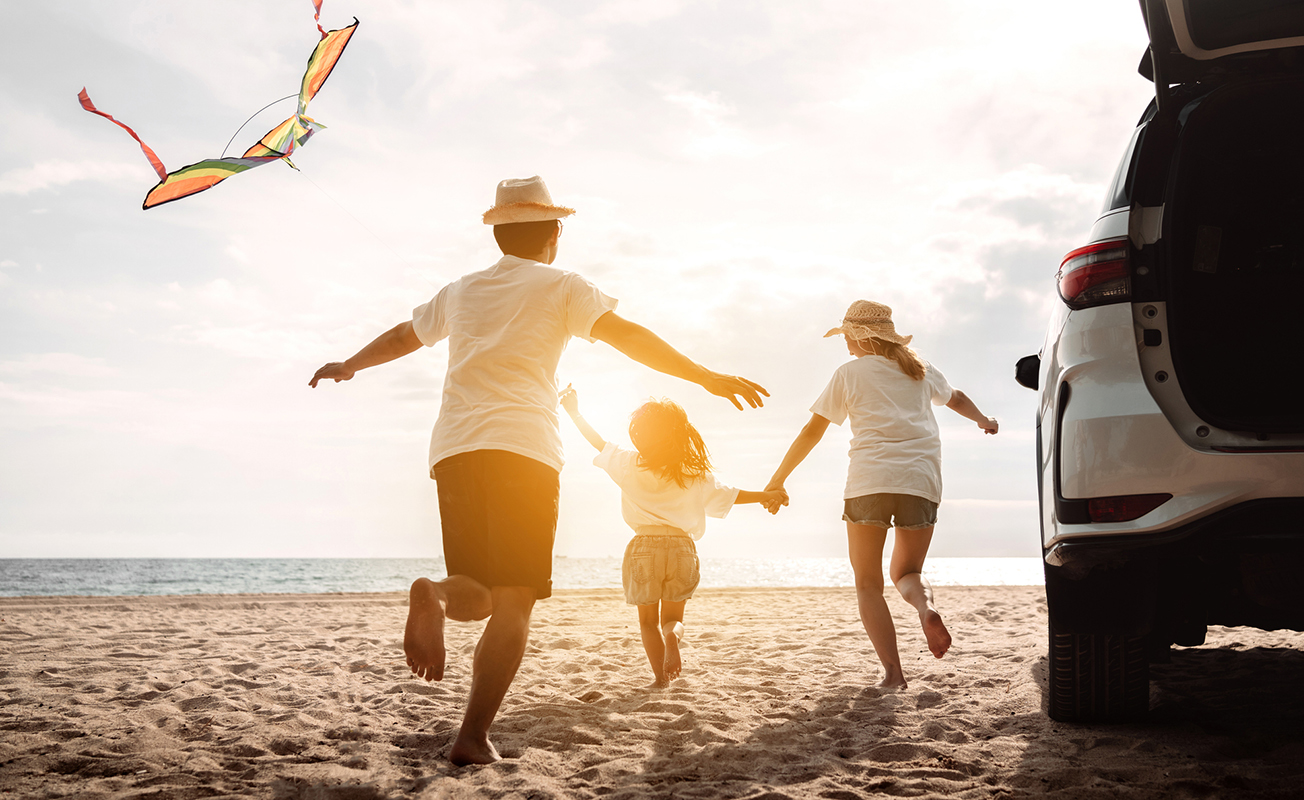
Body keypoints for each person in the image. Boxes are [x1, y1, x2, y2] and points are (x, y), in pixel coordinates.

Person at [308, 176, 767, 765]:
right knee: (515, 599)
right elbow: (628, 338)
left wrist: (350, 364)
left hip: (454, 449)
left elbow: (405, 335)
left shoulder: (461, 290)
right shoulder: (565, 286)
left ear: (499, 234)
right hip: (523, 450)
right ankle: (471, 737)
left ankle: (437, 597)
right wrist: (705, 376)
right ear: (554, 233)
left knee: (475, 591)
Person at [763, 300, 997, 689]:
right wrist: (983, 420)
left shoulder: (849, 373)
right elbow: (955, 397)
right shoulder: (920, 369)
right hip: (920, 483)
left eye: (847, 338)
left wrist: (778, 479)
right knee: (907, 573)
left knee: (868, 584)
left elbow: (812, 431)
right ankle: (926, 607)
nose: (845, 346)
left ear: (858, 337)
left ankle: (893, 673)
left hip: (868, 483)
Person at [558, 385, 787, 687]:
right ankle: (672, 635)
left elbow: (597, 442)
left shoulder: (628, 463)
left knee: (646, 621)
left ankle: (660, 680)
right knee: (672, 619)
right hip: (682, 547)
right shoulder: (692, 472)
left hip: (644, 547)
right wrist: (766, 495)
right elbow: (731, 495)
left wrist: (574, 411)